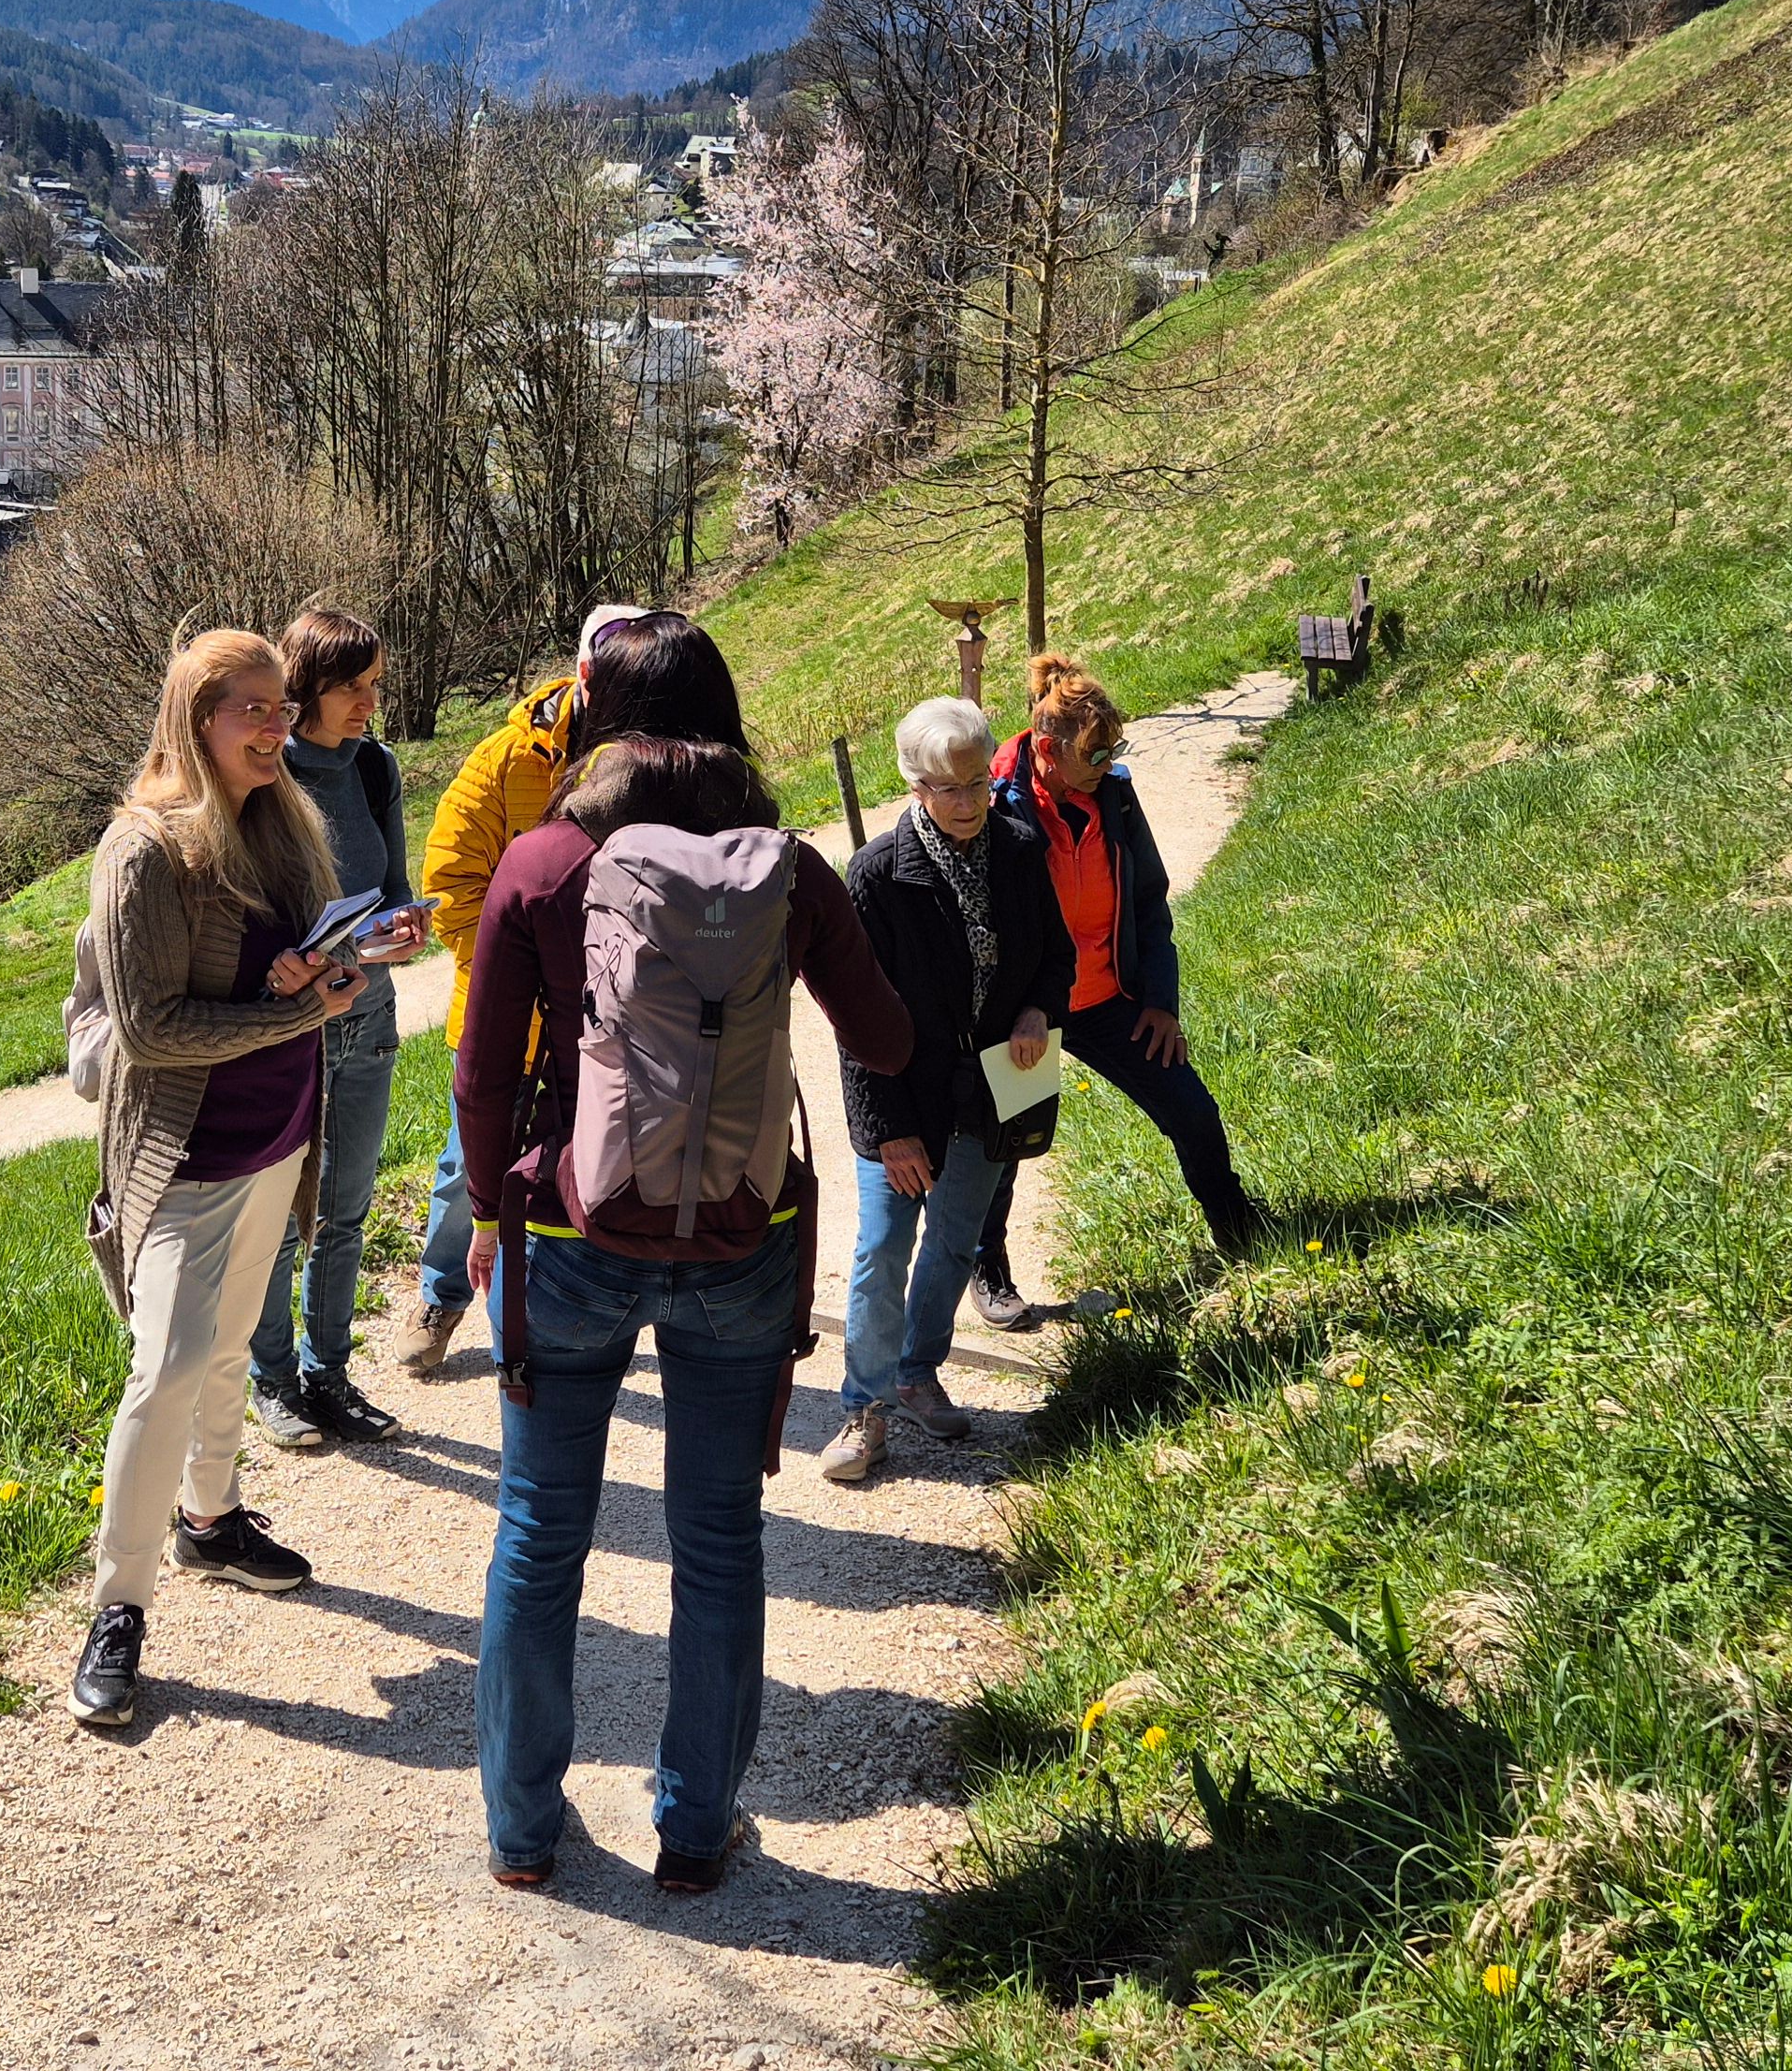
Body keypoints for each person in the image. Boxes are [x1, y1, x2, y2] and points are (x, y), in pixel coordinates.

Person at [455, 625, 911, 1894]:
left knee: (542, 1537)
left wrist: (490, 1219)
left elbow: (486, 1073)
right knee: (718, 1540)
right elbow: (881, 1036)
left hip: (571, 1230)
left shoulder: (545, 860)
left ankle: (523, 1833)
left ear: (595, 717)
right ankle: (697, 1830)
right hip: (742, 1238)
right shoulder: (791, 868)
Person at [69, 628, 367, 1728]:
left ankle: (213, 1520)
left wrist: (335, 961)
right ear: (196, 715)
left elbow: (289, 965)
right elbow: (148, 1030)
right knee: (167, 1369)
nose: (276, 728)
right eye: (252, 709)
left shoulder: (280, 824)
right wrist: (298, 1005)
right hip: (184, 1157)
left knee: (231, 1345)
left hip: (276, 1135)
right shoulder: (143, 849)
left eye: (283, 709)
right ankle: (118, 1608)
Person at [822, 696, 1076, 1484]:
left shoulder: (1019, 848)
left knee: (956, 1241)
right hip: (904, 1096)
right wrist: (887, 1130)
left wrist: (1040, 1007)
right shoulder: (874, 875)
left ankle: (916, 1370)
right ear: (914, 787)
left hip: (994, 1088)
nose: (968, 803)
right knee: (880, 1248)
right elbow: (857, 1020)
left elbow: (1056, 956)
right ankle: (863, 1409)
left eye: (978, 784)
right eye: (948, 788)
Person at [399, 602, 653, 1371]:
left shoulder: (648, 761)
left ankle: (590, 1298)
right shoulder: (506, 759)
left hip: (619, 1018)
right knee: (464, 1170)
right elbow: (449, 882)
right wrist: (521, 964)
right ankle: (440, 1298)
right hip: (513, 1016)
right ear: (583, 676)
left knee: (605, 1162)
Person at [973, 653, 1264, 1302]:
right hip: (1027, 1011)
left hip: (1109, 997)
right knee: (1005, 1147)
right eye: (1094, 755)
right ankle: (986, 1267)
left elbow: (1149, 900)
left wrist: (1160, 1001)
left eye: (1114, 751)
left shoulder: (1116, 795)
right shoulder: (996, 803)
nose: (1107, 766)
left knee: (1191, 1109)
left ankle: (1237, 1223)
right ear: (1048, 749)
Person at [247, 605, 431, 1451]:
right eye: (351, 688)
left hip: (370, 1014)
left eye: (374, 686)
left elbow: (394, 883)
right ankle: (272, 1382)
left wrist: (404, 923)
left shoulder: (374, 767)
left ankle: (330, 1378)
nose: (368, 703)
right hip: (289, 1029)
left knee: (347, 1211)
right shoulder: (261, 775)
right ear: (307, 687)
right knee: (283, 1217)